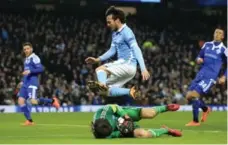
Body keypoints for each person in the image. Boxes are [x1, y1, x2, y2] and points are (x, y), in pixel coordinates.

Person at [85, 6, 150, 100]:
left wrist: (143, 68)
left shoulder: (127, 32)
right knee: (106, 91)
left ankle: (101, 84)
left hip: (127, 64)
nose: (107, 24)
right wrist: (97, 59)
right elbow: (112, 51)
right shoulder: (115, 33)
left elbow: (137, 49)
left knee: (100, 69)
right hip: (128, 69)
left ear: (117, 20)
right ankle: (129, 91)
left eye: (109, 22)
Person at [185, 28, 227, 126]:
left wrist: (224, 77)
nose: (217, 34)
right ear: (213, 34)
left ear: (222, 37)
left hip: (210, 77)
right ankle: (205, 109)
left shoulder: (224, 50)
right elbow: (199, 56)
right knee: (188, 96)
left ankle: (195, 121)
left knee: (195, 95)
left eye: (219, 33)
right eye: (216, 32)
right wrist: (198, 59)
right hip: (201, 73)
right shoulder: (207, 44)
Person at [18, 42, 60, 125]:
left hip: (32, 82)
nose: (26, 50)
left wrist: (30, 71)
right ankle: (29, 121)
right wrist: (22, 81)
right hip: (25, 83)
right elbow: (25, 73)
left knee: (33, 101)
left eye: (28, 48)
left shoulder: (34, 57)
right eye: (25, 49)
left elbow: (40, 69)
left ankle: (52, 101)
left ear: (31, 49)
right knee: (21, 101)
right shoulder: (26, 59)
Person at [91, 104, 182, 138]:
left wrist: (125, 115)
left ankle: (166, 107)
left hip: (121, 114)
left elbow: (113, 106)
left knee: (149, 113)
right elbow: (117, 134)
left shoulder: (103, 113)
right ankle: (166, 130)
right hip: (120, 128)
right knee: (142, 134)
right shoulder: (104, 135)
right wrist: (123, 133)